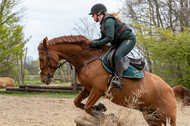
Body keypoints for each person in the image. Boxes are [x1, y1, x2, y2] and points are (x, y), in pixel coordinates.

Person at [89, 3, 136, 89]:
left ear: (99, 13)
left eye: (93, 14)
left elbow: (110, 38)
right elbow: (102, 39)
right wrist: (92, 42)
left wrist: (96, 44)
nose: (92, 16)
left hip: (128, 39)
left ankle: (119, 80)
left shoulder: (108, 21)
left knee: (118, 55)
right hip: (119, 42)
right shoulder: (103, 24)